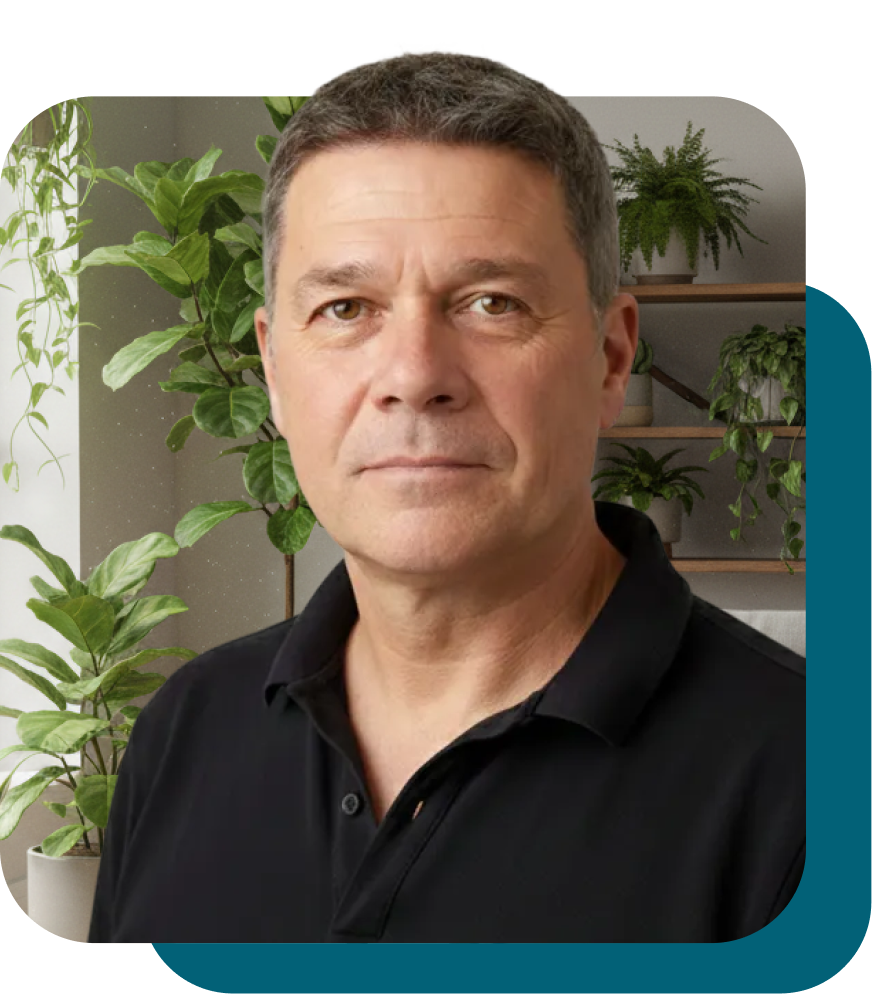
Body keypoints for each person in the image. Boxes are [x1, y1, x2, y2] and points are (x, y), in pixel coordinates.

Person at [88, 55, 805, 943]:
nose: (415, 376)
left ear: (612, 356)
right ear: (273, 369)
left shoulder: (816, 784)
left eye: (492, 302)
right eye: (346, 308)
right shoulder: (182, 733)